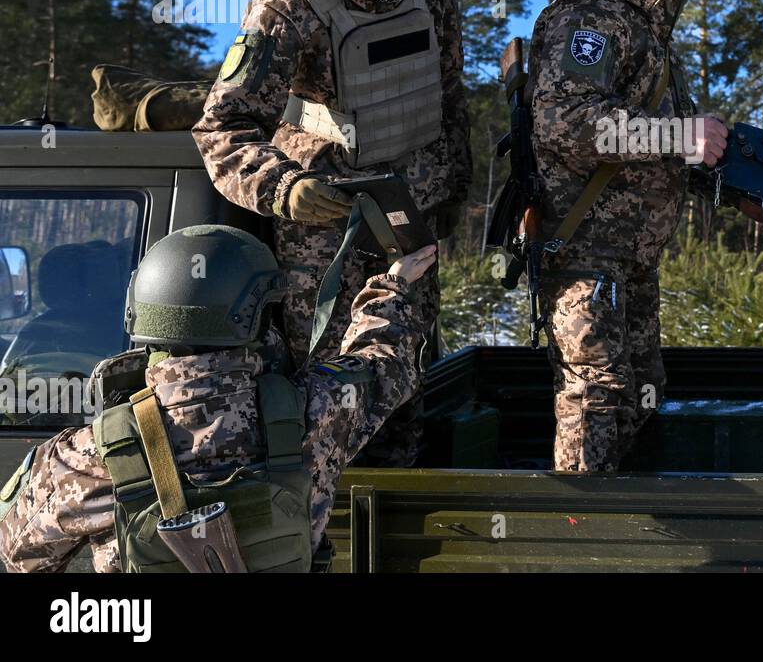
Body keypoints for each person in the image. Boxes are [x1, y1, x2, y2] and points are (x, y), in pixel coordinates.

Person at [192, 0, 471, 465]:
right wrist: (287, 190)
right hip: (329, 245)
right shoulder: (289, 3)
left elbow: (447, 94)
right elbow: (224, 128)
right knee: (331, 418)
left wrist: (453, 188)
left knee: (403, 401)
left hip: (409, 229)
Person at [0, 225, 436, 573]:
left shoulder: (85, 456)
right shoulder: (318, 409)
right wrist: (390, 287)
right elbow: (386, 362)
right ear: (259, 317)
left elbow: (15, 555)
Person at [527, 0, 727, 472]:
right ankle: (578, 534)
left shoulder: (648, 30)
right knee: (596, 394)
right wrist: (679, 136)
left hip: (632, 257)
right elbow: (564, 123)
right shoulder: (591, 16)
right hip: (585, 248)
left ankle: (624, 531)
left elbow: (656, 147)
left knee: (640, 392)